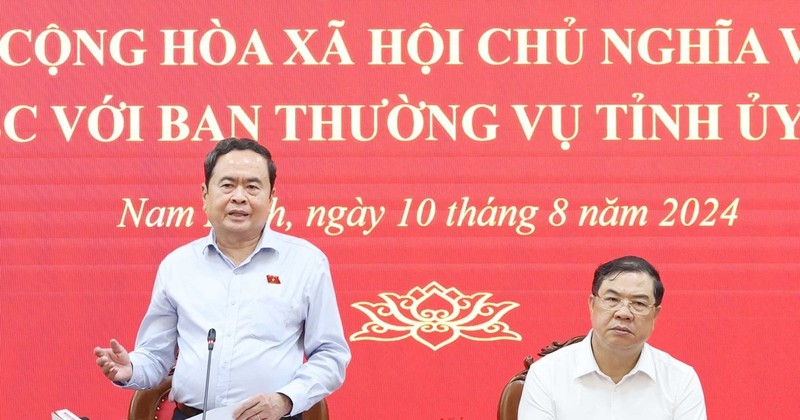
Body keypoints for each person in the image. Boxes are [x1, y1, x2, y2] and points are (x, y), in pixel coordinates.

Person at [94, 138, 351, 420]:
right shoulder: (178, 266)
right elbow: (156, 357)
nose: (239, 197)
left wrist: (284, 400)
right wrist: (131, 368)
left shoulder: (306, 263)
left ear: (271, 198)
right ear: (205, 194)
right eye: (227, 185)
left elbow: (331, 355)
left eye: (252, 187)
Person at [518, 256, 706, 420]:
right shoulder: (546, 374)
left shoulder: (680, 380)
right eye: (612, 300)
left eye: (639, 303)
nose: (623, 313)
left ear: (655, 314)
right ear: (592, 305)